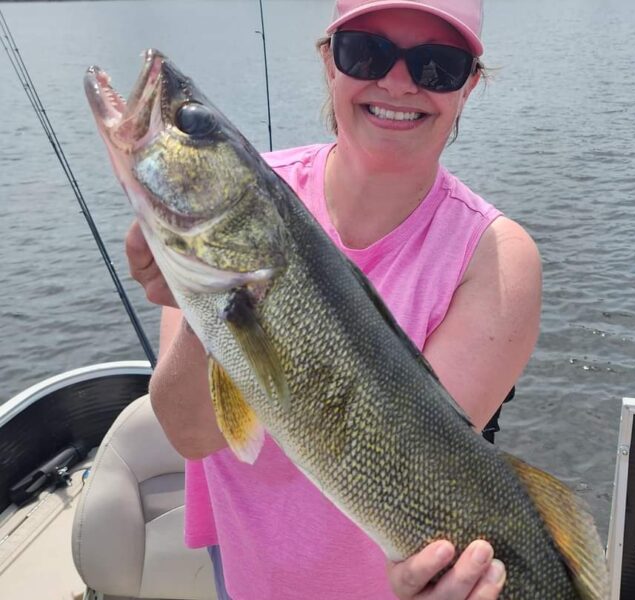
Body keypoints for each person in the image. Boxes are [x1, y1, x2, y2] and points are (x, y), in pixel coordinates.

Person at [126, 0, 542, 598]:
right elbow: (192, 433)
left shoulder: (498, 261)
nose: (398, 82)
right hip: (242, 578)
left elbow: (423, 475)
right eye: (366, 51)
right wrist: (211, 303)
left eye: (437, 64)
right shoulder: (245, 203)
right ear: (329, 61)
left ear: (469, 86)